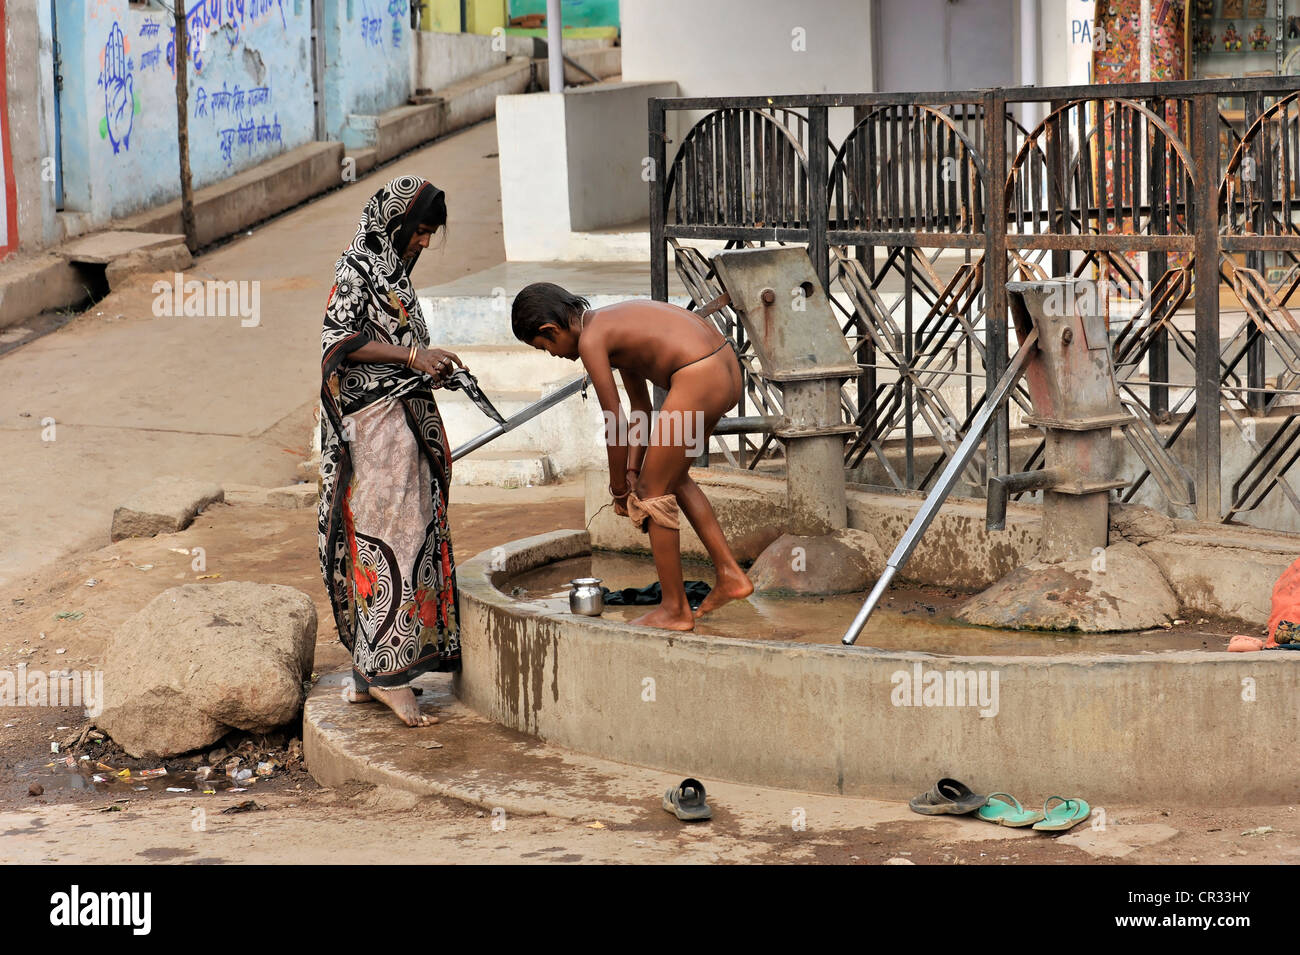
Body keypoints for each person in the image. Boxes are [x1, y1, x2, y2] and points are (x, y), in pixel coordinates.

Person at [511, 283, 753, 631]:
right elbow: (640, 408)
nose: (552, 354)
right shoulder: (609, 325)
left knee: (652, 495)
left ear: (551, 329)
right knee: (674, 479)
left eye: (545, 346)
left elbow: (615, 422)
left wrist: (619, 489)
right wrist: (630, 468)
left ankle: (674, 610)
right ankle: (730, 575)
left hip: (699, 375)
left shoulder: (591, 341)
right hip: (723, 370)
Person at [318, 175, 463, 727]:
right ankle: (389, 679)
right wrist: (409, 357)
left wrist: (429, 363)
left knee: (404, 536)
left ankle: (368, 675)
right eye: (420, 231)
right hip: (372, 430)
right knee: (391, 542)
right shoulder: (356, 267)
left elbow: (395, 343)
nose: (424, 242)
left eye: (429, 234)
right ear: (395, 224)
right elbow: (339, 342)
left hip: (399, 424)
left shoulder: (393, 272)